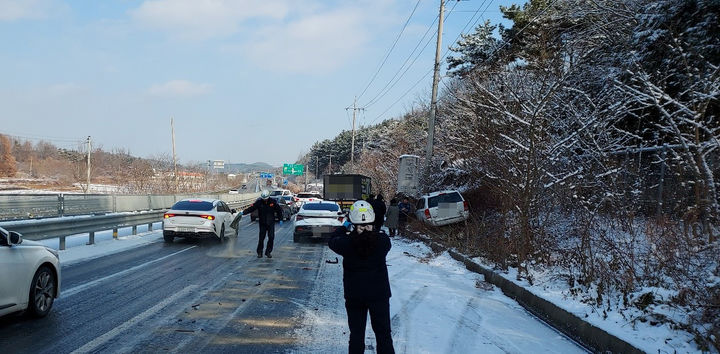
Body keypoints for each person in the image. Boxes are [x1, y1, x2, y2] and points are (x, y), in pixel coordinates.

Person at [329, 200, 394, 354]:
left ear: (353, 221)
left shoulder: (346, 244)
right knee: (383, 334)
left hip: (354, 296)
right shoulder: (383, 242)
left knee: (357, 335)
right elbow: (376, 234)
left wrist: (345, 225)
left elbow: (332, 240)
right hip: (379, 295)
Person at [241, 190, 283, 258]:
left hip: (271, 223)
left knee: (271, 237)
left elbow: (279, 210)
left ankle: (268, 252)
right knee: (261, 238)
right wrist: (244, 212)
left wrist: (280, 219)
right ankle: (259, 252)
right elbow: (252, 208)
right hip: (262, 223)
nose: (264, 200)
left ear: (268, 197)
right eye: (263, 199)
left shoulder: (273, 202)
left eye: (265, 198)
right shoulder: (259, 202)